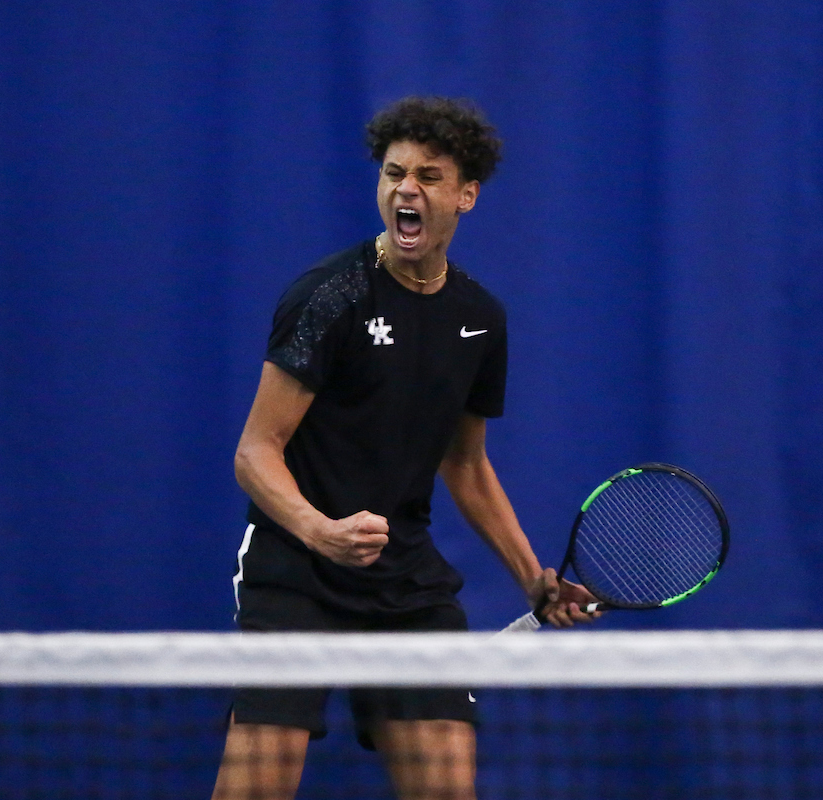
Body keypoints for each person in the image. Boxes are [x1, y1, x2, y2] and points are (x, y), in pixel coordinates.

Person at [210, 96, 600, 800]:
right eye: (393, 174)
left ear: (466, 195)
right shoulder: (328, 298)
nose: (406, 190)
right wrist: (320, 532)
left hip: (404, 580)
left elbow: (465, 463)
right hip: (295, 571)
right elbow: (255, 452)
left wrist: (530, 576)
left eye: (428, 175)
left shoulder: (480, 319)